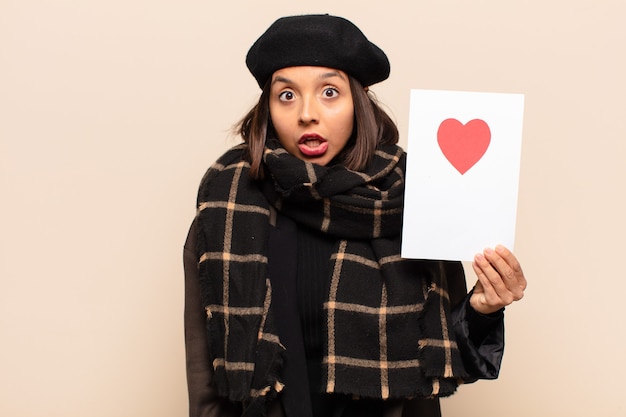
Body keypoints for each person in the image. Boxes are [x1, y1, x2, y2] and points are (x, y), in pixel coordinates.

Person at [183, 14, 527, 417]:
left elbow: (442, 357)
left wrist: (482, 309)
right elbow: (205, 379)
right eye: (287, 95)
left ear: (359, 100)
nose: (307, 113)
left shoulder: (413, 199)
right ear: (268, 108)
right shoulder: (226, 205)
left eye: (329, 91)